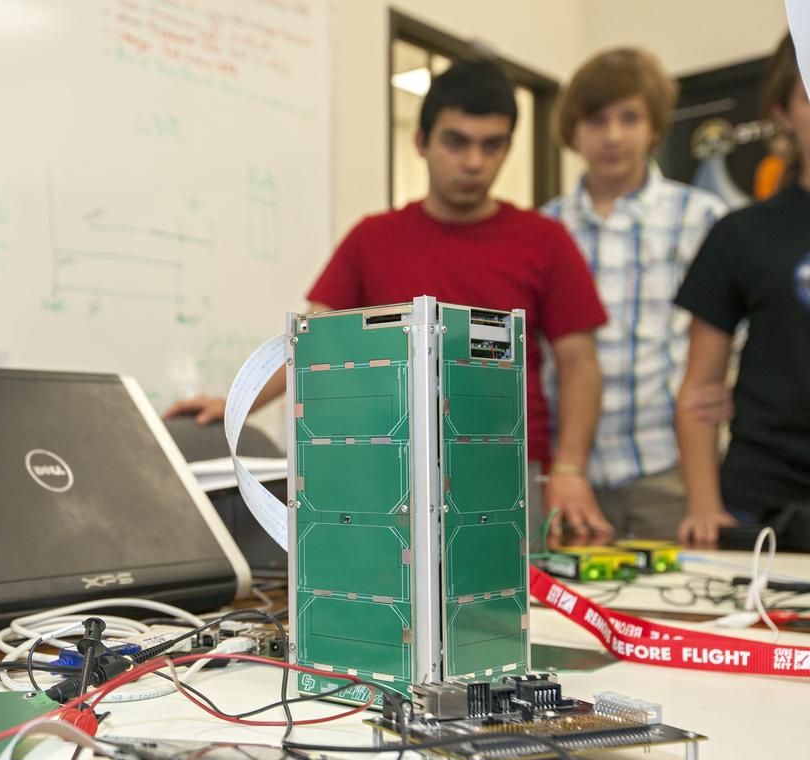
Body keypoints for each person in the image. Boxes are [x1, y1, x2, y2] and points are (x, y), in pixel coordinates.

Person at [168, 59, 612, 544]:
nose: (473, 162)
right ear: (421, 142)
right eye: (456, 141)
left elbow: (579, 364)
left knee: (508, 592)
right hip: (391, 473)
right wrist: (237, 403)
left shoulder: (546, 241)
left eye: (492, 145)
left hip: (505, 471)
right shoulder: (372, 238)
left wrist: (569, 468)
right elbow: (313, 340)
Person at [540, 48, 727, 541]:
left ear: (655, 126)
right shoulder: (545, 228)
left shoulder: (701, 217)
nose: (613, 136)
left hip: (668, 467)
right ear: (573, 129)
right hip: (569, 472)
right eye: (597, 120)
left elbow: (738, 331)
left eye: (630, 117)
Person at [676, 34, 810, 546]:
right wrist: (704, 507)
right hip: (759, 505)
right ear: (781, 113)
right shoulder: (741, 234)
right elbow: (698, 392)